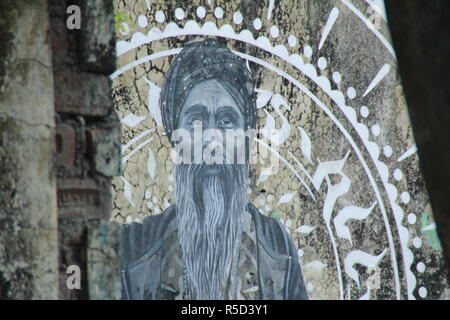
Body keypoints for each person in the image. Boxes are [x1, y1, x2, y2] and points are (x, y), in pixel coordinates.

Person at [120, 38, 308, 300]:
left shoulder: (276, 248)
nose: (211, 138)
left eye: (227, 121)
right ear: (176, 138)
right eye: (196, 119)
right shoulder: (135, 250)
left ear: (245, 139)